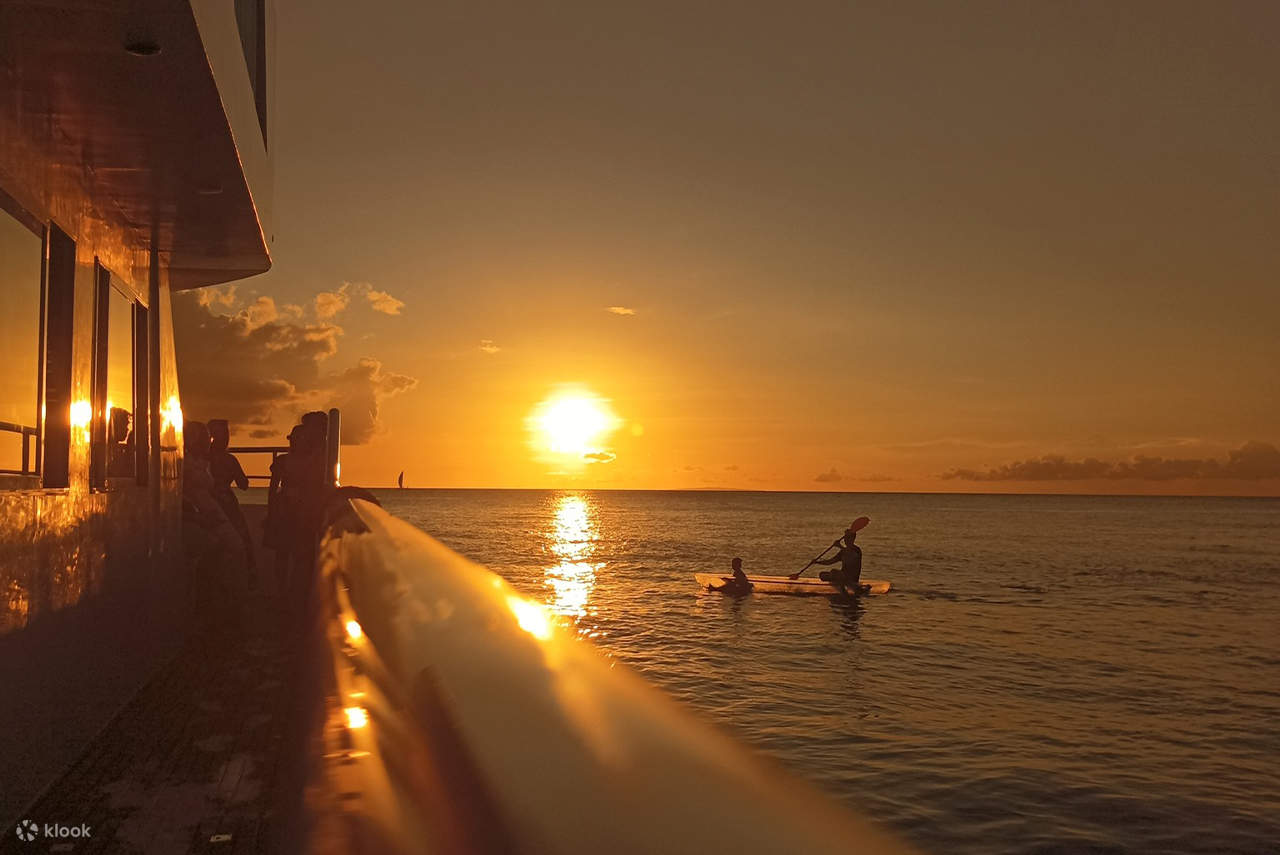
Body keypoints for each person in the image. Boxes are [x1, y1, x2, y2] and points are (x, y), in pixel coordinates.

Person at [207, 419, 255, 576]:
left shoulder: (205, 458)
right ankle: (247, 576)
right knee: (243, 538)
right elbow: (244, 484)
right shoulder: (229, 459)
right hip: (225, 501)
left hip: (211, 501)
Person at [793, 521, 866, 595]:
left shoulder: (856, 550)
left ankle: (848, 589)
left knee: (834, 572)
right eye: (845, 538)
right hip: (843, 577)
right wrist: (817, 562)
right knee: (822, 575)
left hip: (852, 578)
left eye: (847, 538)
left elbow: (851, 555)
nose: (845, 540)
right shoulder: (842, 552)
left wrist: (839, 546)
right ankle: (841, 587)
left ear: (852, 539)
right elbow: (830, 562)